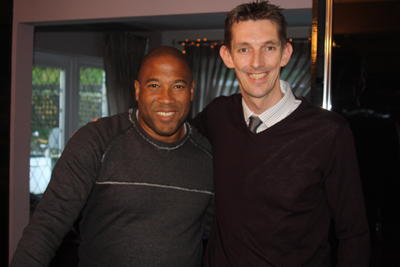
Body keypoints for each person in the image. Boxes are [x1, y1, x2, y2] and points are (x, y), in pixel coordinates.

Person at [190, 1, 370, 266]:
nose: (256, 62)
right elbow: (172, 141)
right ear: (227, 56)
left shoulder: (330, 132)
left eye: (269, 48)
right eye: (244, 49)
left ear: (285, 53)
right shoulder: (217, 115)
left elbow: (354, 232)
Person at [10, 46, 214, 267]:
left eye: (178, 86)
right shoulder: (97, 140)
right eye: (154, 85)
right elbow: (46, 227)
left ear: (191, 90)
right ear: (137, 90)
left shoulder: (208, 156)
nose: (166, 98)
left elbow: (216, 231)